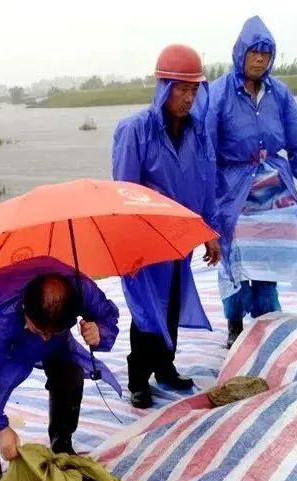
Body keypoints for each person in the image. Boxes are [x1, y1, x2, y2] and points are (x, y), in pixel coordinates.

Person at [0, 256, 120, 481]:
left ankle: (62, 441)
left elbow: (107, 313)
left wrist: (99, 331)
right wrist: (1, 428)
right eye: (38, 331)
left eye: (51, 333)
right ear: (25, 309)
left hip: (47, 328)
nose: (44, 338)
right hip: (3, 335)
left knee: (69, 372)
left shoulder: (80, 288)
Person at [112, 44, 220, 409]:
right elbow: (124, 190)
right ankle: (138, 378)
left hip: (179, 237)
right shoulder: (136, 130)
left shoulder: (197, 133)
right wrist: (127, 245)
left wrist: (209, 231)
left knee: (171, 303)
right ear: (164, 87)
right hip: (145, 239)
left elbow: (206, 181)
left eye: (193, 90)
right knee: (147, 308)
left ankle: (165, 367)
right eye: (181, 88)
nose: (188, 98)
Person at [207, 16, 297, 348]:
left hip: (272, 184)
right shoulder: (219, 94)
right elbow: (207, 150)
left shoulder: (279, 93)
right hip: (234, 187)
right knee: (237, 256)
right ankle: (234, 324)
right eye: (254, 52)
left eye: (266, 54)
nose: (259, 59)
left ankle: (266, 320)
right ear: (241, 53)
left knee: (270, 251)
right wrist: (207, 202)